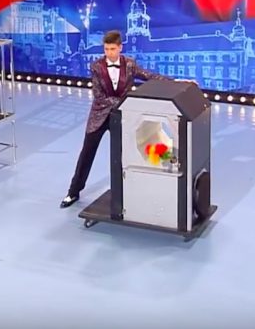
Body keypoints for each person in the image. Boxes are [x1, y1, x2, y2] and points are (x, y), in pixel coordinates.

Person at [60, 30, 174, 208]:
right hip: (99, 115)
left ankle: (128, 191)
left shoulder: (130, 64)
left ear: (120, 47)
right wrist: (125, 102)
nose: (109, 53)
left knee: (127, 153)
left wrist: (176, 82)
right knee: (86, 153)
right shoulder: (96, 66)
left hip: (121, 117)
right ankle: (73, 192)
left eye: (112, 49)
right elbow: (99, 96)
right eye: (106, 49)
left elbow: (149, 76)